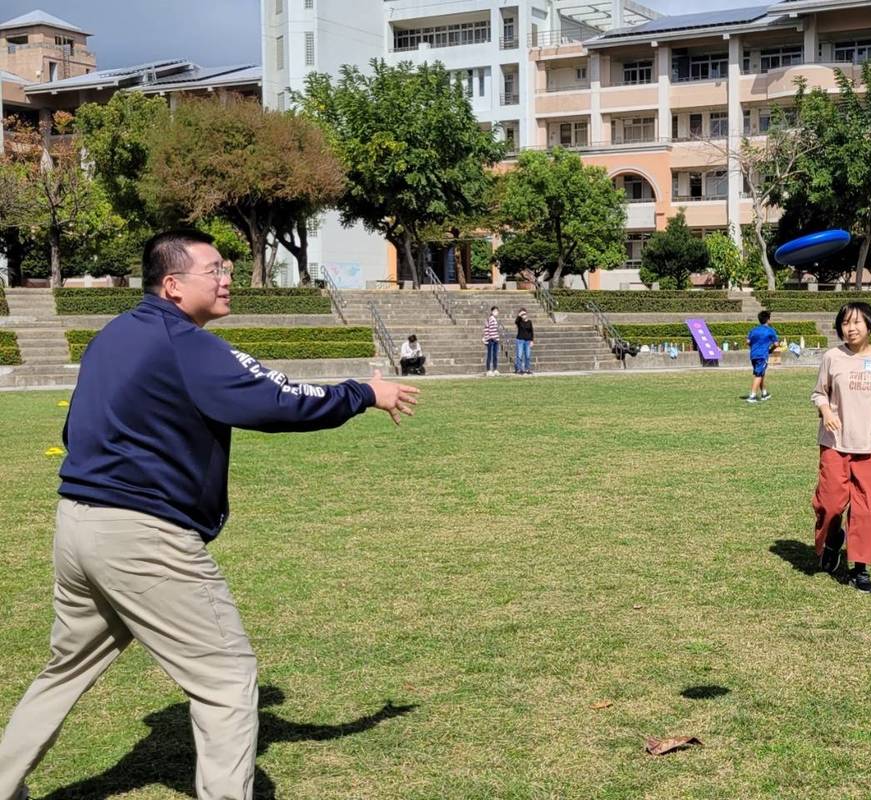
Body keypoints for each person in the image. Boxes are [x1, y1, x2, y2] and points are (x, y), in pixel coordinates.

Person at [0, 230, 419, 800]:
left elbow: (73, 430)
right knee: (226, 679)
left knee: (66, 669)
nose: (227, 279)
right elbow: (279, 401)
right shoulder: (188, 344)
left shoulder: (113, 335)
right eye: (214, 270)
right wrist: (363, 392)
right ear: (172, 285)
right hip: (141, 536)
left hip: (77, 527)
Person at [811, 301, 871, 594]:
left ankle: (859, 570)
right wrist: (826, 412)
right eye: (845, 323)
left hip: (869, 445)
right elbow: (819, 393)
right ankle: (831, 540)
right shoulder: (832, 357)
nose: (850, 329)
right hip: (835, 443)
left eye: (856, 323)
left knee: (865, 509)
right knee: (830, 504)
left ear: (869, 325)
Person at [745, 310, 780, 404]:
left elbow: (748, 342)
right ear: (768, 319)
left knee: (760, 373)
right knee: (759, 375)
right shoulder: (770, 330)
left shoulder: (753, 330)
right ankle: (752, 396)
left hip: (753, 355)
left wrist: (754, 347)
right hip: (762, 355)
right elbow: (776, 344)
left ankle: (764, 393)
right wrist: (770, 350)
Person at [514, 308, 534, 375]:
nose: (524, 315)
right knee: (519, 355)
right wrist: (519, 315)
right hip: (520, 340)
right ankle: (519, 369)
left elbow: (531, 332)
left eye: (525, 314)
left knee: (527, 355)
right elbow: (516, 322)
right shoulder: (519, 322)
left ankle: (527, 369)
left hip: (527, 341)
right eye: (522, 314)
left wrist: (532, 340)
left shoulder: (529, 322)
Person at [483, 306, 500, 376]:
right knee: (490, 355)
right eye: (495, 311)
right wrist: (487, 338)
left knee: (495, 355)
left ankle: (495, 369)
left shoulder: (494, 319)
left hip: (495, 339)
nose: (496, 312)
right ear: (492, 312)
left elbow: (495, 330)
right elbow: (487, 329)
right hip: (491, 340)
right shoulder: (490, 319)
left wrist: (497, 338)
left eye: (497, 311)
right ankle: (488, 370)